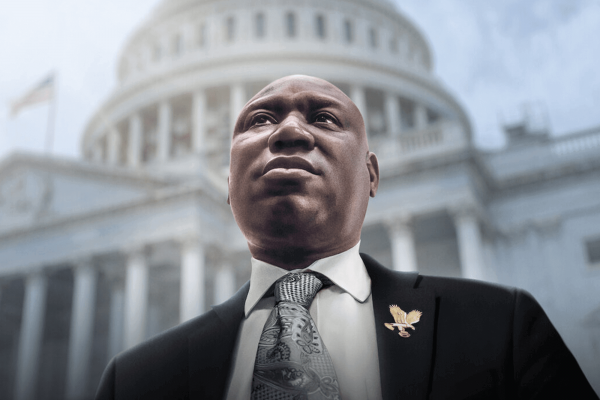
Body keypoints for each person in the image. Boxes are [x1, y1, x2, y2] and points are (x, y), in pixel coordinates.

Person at [95, 75, 598, 399]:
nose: (289, 133)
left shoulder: (502, 328)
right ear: (227, 187)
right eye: (262, 119)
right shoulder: (135, 381)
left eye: (324, 118)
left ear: (372, 174)